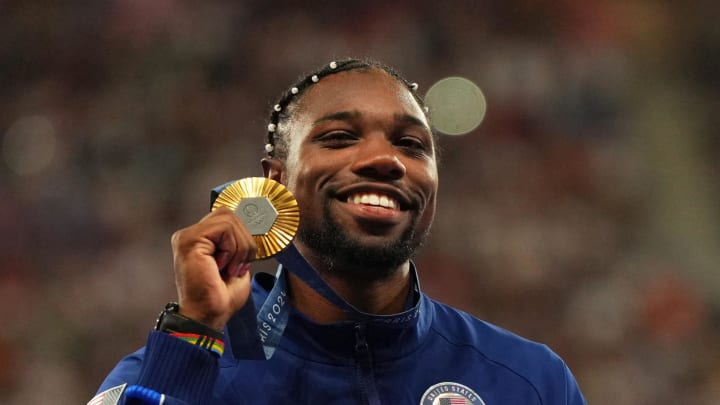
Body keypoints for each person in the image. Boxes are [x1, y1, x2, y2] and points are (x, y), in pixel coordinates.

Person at [91, 58, 587, 405]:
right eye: (339, 138)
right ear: (275, 180)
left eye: (411, 144)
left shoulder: (530, 381)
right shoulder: (170, 373)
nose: (384, 160)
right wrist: (192, 332)